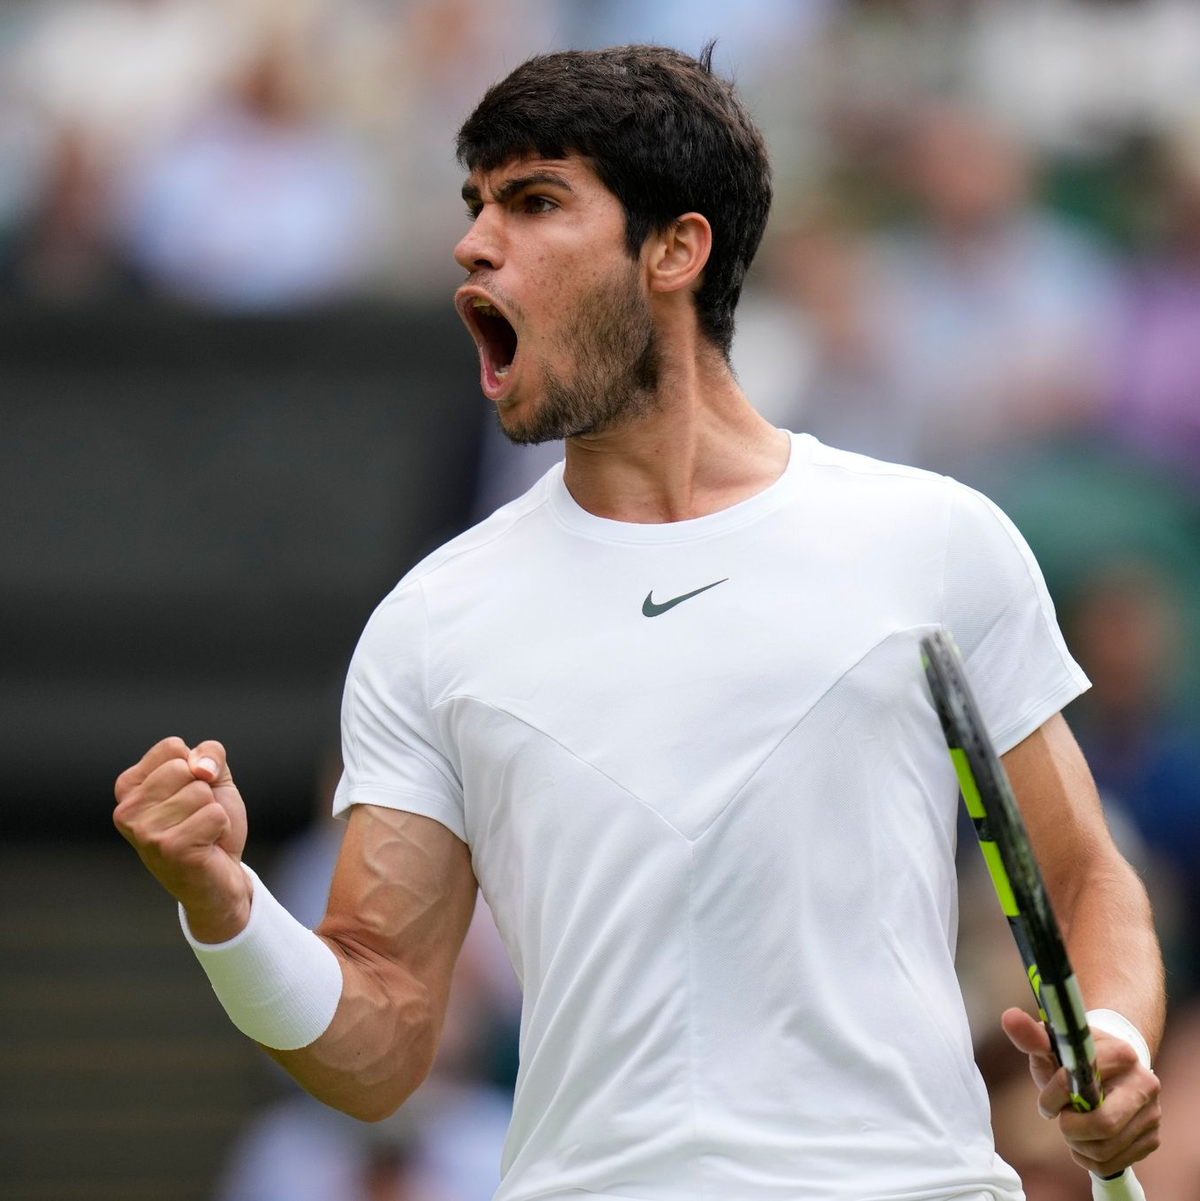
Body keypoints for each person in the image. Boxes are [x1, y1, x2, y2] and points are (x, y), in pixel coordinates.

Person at [113, 44, 1163, 1201]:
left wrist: (1112, 1032)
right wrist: (226, 906)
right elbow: (380, 1042)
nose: (474, 241)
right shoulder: (430, 623)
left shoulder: (936, 539)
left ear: (676, 247)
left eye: (534, 201)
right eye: (475, 205)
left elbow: (1086, 881)